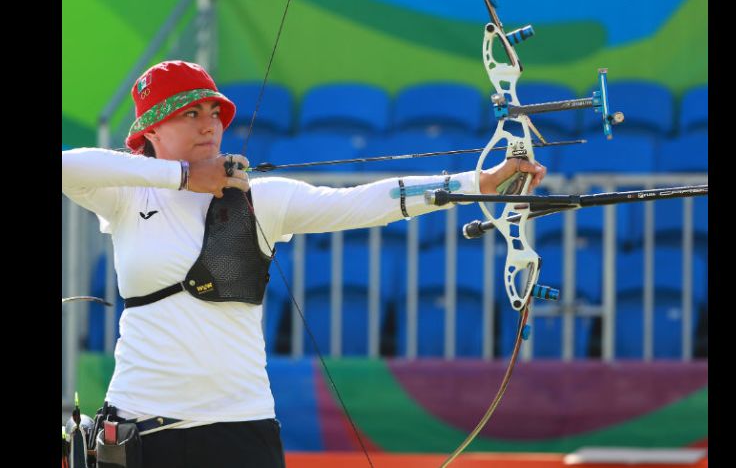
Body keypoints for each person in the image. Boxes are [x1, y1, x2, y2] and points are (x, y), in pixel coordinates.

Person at [61, 60, 546, 468]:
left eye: (214, 111)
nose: (210, 124)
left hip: (239, 427)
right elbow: (68, 164)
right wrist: (184, 176)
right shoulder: (127, 197)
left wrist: (479, 182)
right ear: (151, 130)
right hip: (143, 428)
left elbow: (365, 201)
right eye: (190, 114)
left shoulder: (260, 200)